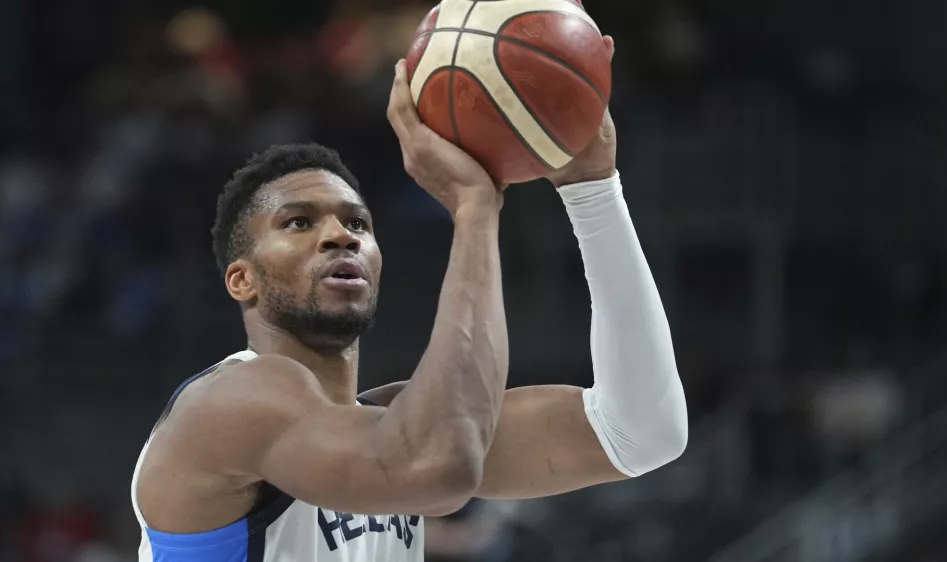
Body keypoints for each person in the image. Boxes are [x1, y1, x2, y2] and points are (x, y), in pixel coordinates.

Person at [130, 35, 688, 562]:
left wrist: (592, 189)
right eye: (298, 222)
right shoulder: (231, 400)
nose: (339, 235)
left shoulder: (401, 426)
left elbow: (641, 432)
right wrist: (473, 211)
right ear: (241, 281)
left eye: (357, 223)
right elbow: (435, 466)